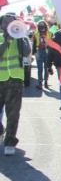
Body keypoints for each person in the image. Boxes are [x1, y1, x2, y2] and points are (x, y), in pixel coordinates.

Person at [0, 15, 30, 156]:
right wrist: (6, 42)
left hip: (15, 81)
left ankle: (10, 141)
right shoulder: (1, 38)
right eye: (5, 22)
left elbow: (27, 52)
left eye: (10, 21)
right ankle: (1, 131)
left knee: (13, 114)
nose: (7, 24)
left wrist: (20, 36)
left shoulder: (21, 37)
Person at [33, 21, 50, 89]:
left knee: (45, 68)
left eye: (43, 27)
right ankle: (42, 83)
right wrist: (34, 52)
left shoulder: (50, 33)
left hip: (46, 51)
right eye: (41, 27)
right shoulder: (36, 34)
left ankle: (44, 83)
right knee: (42, 68)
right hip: (40, 52)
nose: (42, 28)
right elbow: (34, 44)